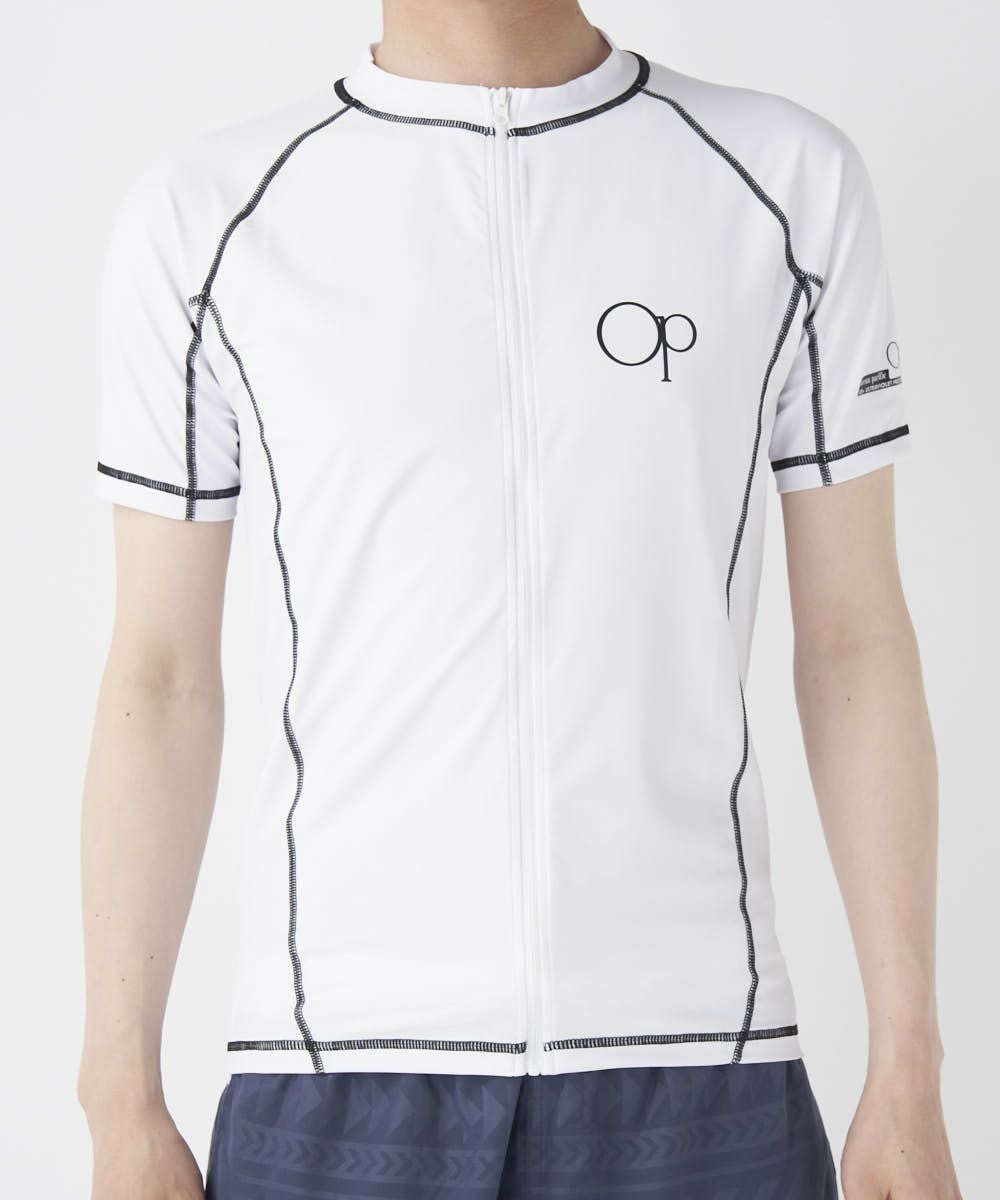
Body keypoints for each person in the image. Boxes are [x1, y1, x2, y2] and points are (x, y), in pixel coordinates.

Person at [77, 2, 963, 1197]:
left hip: (702, 1066)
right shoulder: (210, 217)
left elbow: (855, 640)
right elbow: (161, 676)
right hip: (335, 1073)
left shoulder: (784, 183)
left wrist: (907, 1069)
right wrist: (119, 1100)